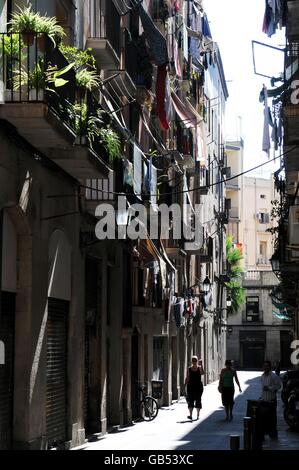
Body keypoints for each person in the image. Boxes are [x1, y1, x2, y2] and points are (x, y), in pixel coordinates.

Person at [260, 360, 282, 439]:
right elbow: (262, 388)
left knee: (272, 419)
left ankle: (273, 434)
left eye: (267, 366)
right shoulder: (262, 376)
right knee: (264, 419)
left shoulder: (274, 376)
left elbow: (279, 386)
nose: (265, 367)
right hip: (264, 400)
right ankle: (265, 433)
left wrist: (269, 388)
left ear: (270, 367)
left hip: (271, 401)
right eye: (264, 366)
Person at [184, 356, 204, 421]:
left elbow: (202, 373)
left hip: (198, 387)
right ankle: (190, 415)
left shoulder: (199, 368)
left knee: (198, 400)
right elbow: (187, 377)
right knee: (190, 400)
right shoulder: (189, 369)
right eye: (193, 361)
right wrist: (185, 386)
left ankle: (197, 414)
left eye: (195, 361)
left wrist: (201, 365)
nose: (194, 362)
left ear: (197, 361)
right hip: (190, 387)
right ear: (192, 361)